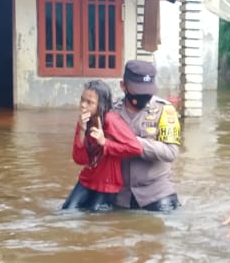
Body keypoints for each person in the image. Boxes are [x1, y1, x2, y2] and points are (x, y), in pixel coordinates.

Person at [60, 80, 142, 211]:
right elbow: (80, 160)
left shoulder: (111, 120)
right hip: (87, 179)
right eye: (82, 100)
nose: (83, 105)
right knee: (66, 212)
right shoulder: (83, 120)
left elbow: (136, 148)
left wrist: (105, 143)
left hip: (107, 184)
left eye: (89, 102)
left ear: (101, 104)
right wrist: (81, 130)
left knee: (95, 218)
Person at [112, 59, 182, 211]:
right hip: (120, 195)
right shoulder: (111, 112)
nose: (144, 96)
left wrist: (132, 143)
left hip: (157, 193)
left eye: (148, 92)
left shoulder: (165, 110)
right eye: (138, 91)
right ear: (123, 86)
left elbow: (171, 152)